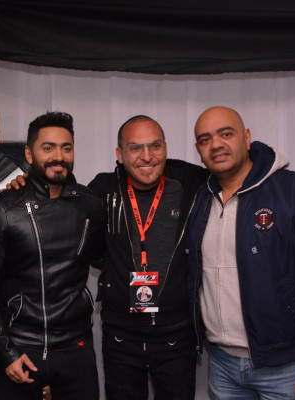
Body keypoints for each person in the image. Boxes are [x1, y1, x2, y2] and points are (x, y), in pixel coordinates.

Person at [0, 111, 106, 399]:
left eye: (66, 148)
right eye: (48, 148)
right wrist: (6, 353)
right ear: (29, 153)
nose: (58, 156)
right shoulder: (4, 208)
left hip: (76, 349)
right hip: (21, 348)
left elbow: (108, 262)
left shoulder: (91, 206)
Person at [187, 106, 295, 399]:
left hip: (287, 367)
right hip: (222, 365)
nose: (216, 144)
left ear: (246, 137)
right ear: (198, 150)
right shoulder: (200, 199)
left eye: (226, 134)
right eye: (205, 139)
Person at [87, 115, 208, 400]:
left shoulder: (191, 181)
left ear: (166, 147)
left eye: (155, 146)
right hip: (121, 336)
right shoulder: (103, 189)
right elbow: (83, 237)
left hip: (177, 335)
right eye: (135, 148)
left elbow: (236, 172)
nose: (146, 156)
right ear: (119, 154)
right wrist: (115, 270)